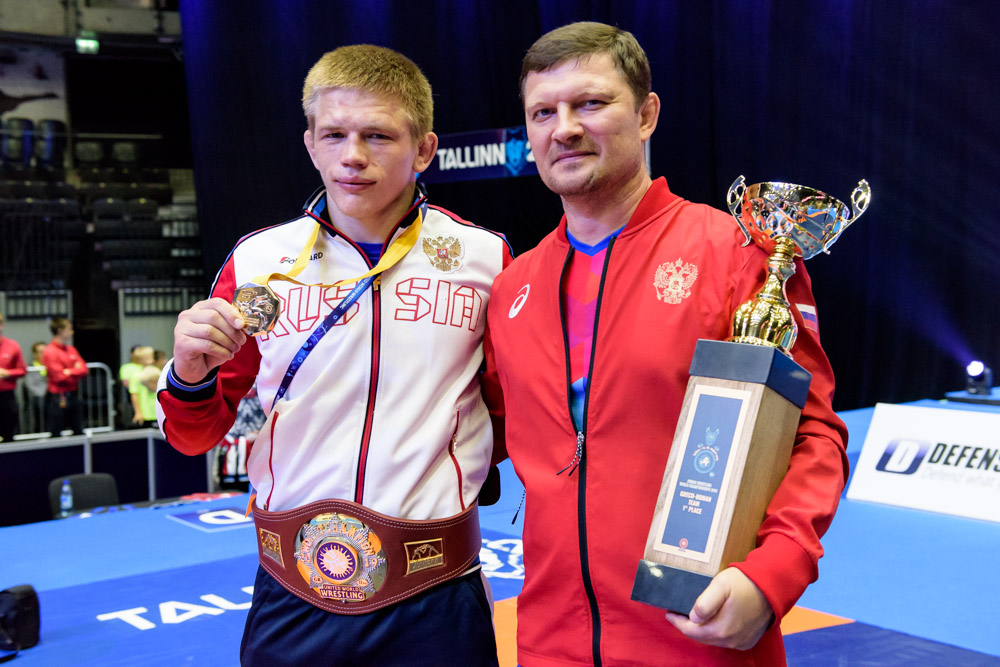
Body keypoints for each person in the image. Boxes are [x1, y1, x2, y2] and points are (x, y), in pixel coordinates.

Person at [484, 22, 849, 666]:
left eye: (591, 103)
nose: (563, 129)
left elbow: (814, 434)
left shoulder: (736, 254)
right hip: (549, 640)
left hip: (698, 635)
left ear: (647, 114)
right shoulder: (514, 286)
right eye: (543, 113)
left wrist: (772, 575)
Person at [155, 44, 510, 666]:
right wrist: (188, 373)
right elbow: (193, 435)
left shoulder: (484, 258)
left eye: (378, 135)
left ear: (424, 149)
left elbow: (508, 412)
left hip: (435, 591)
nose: (353, 156)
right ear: (310, 144)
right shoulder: (258, 261)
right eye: (334, 135)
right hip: (293, 592)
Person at [42, 317, 88, 436]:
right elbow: (60, 377)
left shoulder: (71, 349)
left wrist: (69, 371)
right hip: (57, 396)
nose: (72, 332)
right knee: (56, 430)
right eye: (69, 329)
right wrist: (75, 370)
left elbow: (84, 369)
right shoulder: (50, 351)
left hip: (73, 394)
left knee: (78, 429)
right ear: (60, 331)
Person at [0, 313, 27, 442]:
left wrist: (7, 373)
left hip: (7, 396)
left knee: (8, 432)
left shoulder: (12, 345)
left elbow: (22, 370)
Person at [23, 342, 47, 433]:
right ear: (35, 354)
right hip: (38, 400)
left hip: (51, 398)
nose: (43, 354)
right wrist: (46, 392)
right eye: (41, 352)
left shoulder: (51, 366)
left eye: (45, 352)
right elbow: (30, 386)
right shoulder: (30, 367)